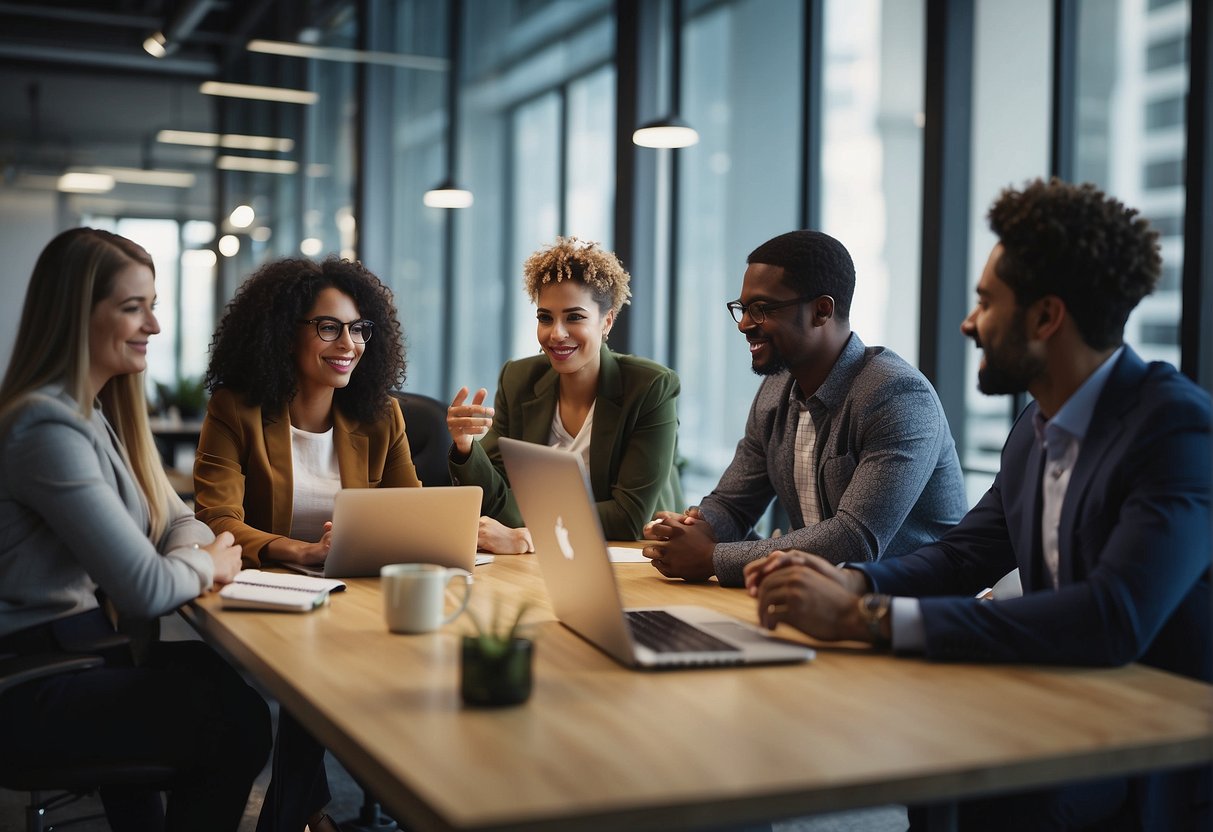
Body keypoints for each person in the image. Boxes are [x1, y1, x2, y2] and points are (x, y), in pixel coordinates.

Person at [747, 179, 1211, 830]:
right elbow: (962, 555)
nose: (968, 324)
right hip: (1064, 703)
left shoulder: (1173, 428)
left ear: (1045, 318)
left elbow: (1113, 616)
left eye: (986, 303)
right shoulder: (1035, 428)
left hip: (1152, 752)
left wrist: (866, 617)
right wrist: (852, 581)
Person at [0, 228, 271, 832]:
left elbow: (177, 517)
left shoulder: (91, 415)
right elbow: (145, 589)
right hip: (30, 681)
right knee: (236, 723)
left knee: (213, 683)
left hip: (79, 652)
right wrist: (209, 562)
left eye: (153, 306)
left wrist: (186, 554)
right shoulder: (44, 429)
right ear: (75, 316)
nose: (153, 325)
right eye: (133, 308)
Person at [194, 256, 418, 832]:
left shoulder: (382, 416)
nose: (348, 344)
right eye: (328, 327)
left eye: (359, 329)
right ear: (283, 330)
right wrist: (299, 551)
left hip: (356, 595)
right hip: (268, 593)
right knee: (310, 666)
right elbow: (217, 519)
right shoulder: (236, 409)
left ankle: (302, 816)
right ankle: (306, 816)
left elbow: (412, 513)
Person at [643, 230, 967, 585]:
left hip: (909, 604)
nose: (744, 324)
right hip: (813, 596)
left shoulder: (897, 395)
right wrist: (695, 527)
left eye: (761, 309)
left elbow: (854, 540)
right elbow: (733, 504)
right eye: (742, 308)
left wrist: (710, 557)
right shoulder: (775, 390)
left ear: (821, 310)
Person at [446, 236, 682, 553]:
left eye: (574, 317)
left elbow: (626, 517)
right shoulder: (518, 379)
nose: (556, 333)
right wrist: (465, 447)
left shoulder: (650, 387)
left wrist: (527, 534)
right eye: (545, 318)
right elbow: (495, 497)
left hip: (634, 560)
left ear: (607, 321)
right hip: (543, 559)